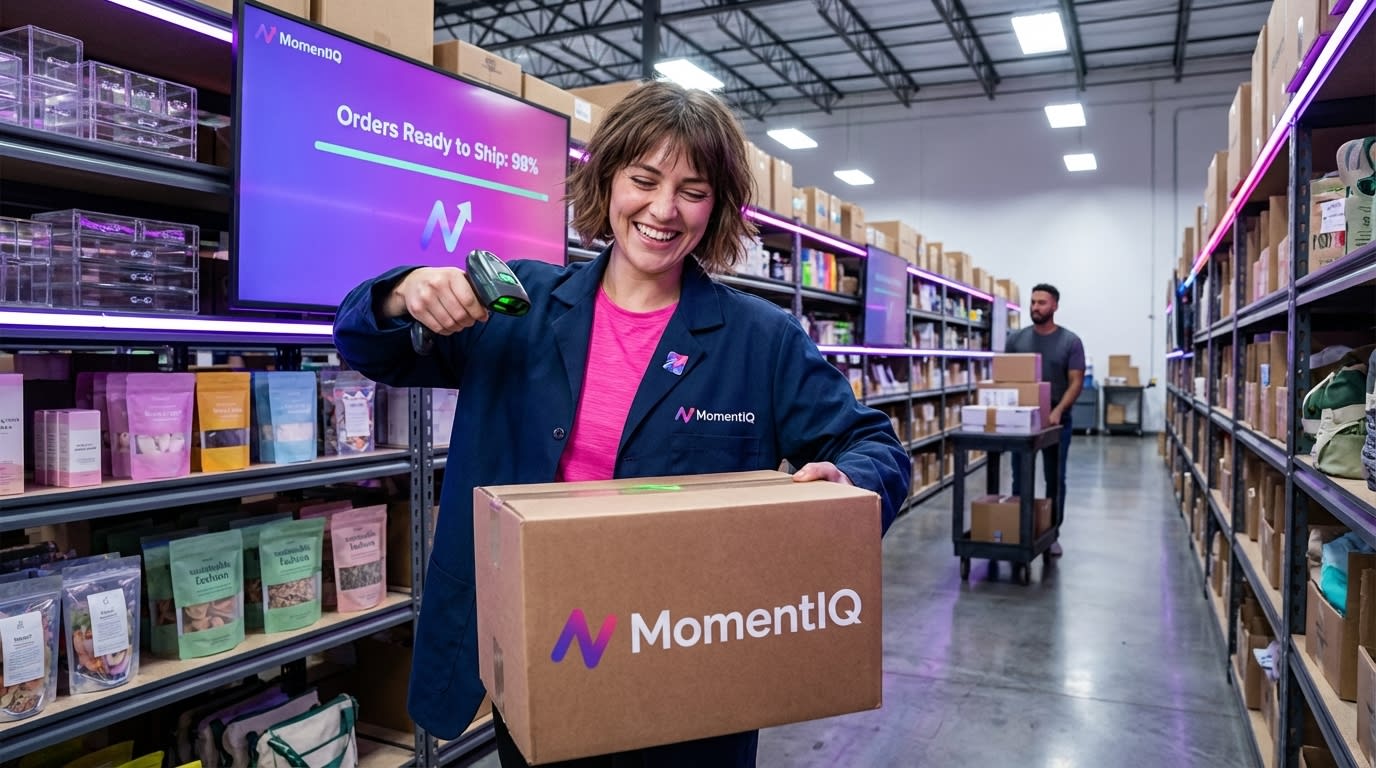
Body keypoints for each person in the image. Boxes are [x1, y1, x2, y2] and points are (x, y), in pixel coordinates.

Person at [332, 80, 909, 768]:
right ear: (607, 180)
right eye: (644, 179)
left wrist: (843, 481)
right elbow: (368, 348)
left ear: (717, 207)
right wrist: (400, 294)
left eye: (693, 191)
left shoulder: (762, 340)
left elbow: (874, 444)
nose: (664, 210)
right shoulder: (518, 305)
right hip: (540, 643)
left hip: (691, 654)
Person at [1005, 283, 1084, 556]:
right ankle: (1018, 528)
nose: (1036, 307)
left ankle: (1052, 534)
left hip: (1056, 420)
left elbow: (1076, 382)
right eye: (1033, 302)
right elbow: (1007, 379)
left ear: (1055, 306)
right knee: (1020, 477)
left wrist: (1058, 410)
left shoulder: (1070, 342)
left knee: (1054, 478)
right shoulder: (1016, 340)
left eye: (1042, 303)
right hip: (1021, 421)